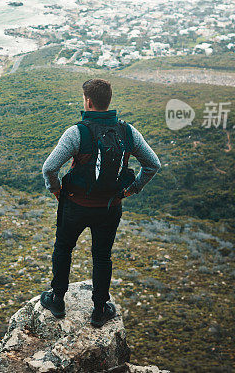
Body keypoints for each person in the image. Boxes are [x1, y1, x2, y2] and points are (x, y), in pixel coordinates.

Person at [39, 78, 161, 327]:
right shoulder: (127, 131)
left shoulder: (77, 132)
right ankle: (98, 310)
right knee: (102, 257)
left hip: (74, 205)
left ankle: (58, 300)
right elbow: (153, 164)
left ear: (88, 101)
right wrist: (131, 190)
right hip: (109, 207)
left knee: (63, 249)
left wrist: (56, 191)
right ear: (109, 101)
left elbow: (49, 168)